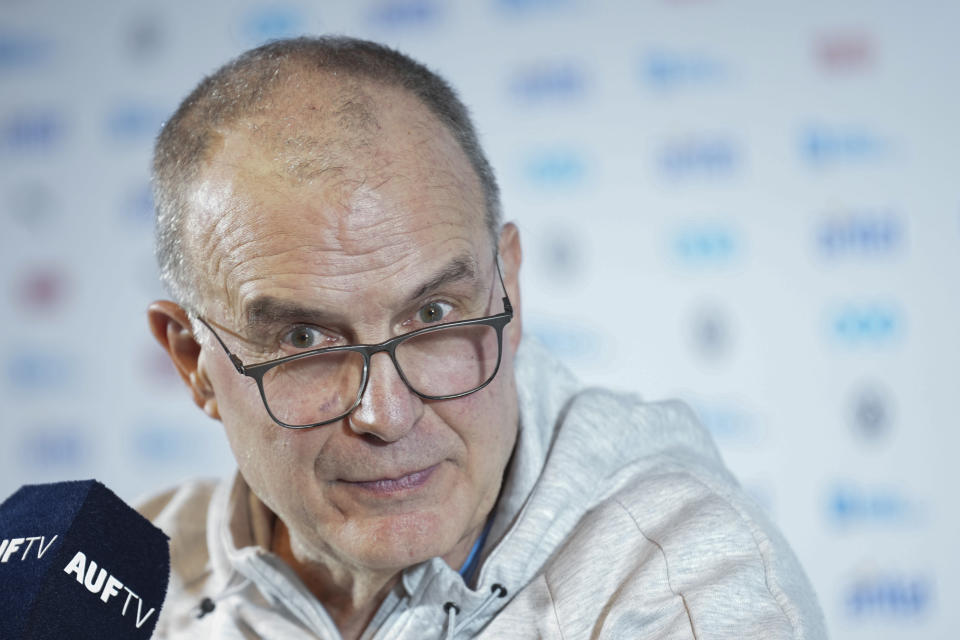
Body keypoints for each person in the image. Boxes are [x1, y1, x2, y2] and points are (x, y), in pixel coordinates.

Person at [140, 36, 826, 639]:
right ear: (193, 361)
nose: (387, 414)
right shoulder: (125, 581)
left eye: (433, 316)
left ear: (511, 292)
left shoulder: (677, 589)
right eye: (304, 338)